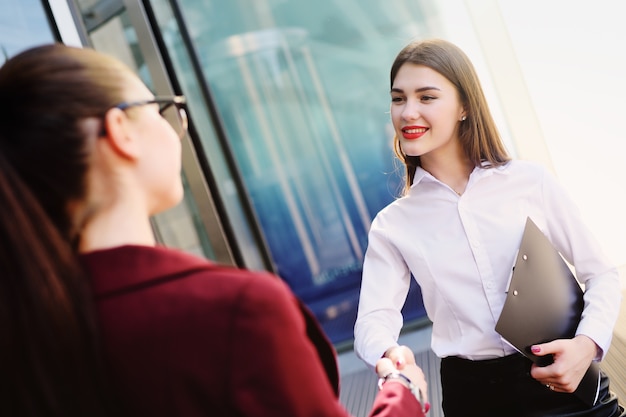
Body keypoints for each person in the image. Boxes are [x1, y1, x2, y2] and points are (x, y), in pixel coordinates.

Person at [0, 43, 429, 417]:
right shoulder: (236, 314)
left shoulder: (23, 333)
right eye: (163, 110)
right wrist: (404, 394)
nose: (175, 134)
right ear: (120, 132)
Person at [353, 38, 625, 417]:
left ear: (464, 106)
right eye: (398, 99)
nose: (408, 112)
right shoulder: (393, 225)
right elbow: (373, 319)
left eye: (426, 97)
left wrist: (586, 345)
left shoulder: (529, 181)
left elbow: (603, 274)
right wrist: (389, 354)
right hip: (476, 398)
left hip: (565, 380)